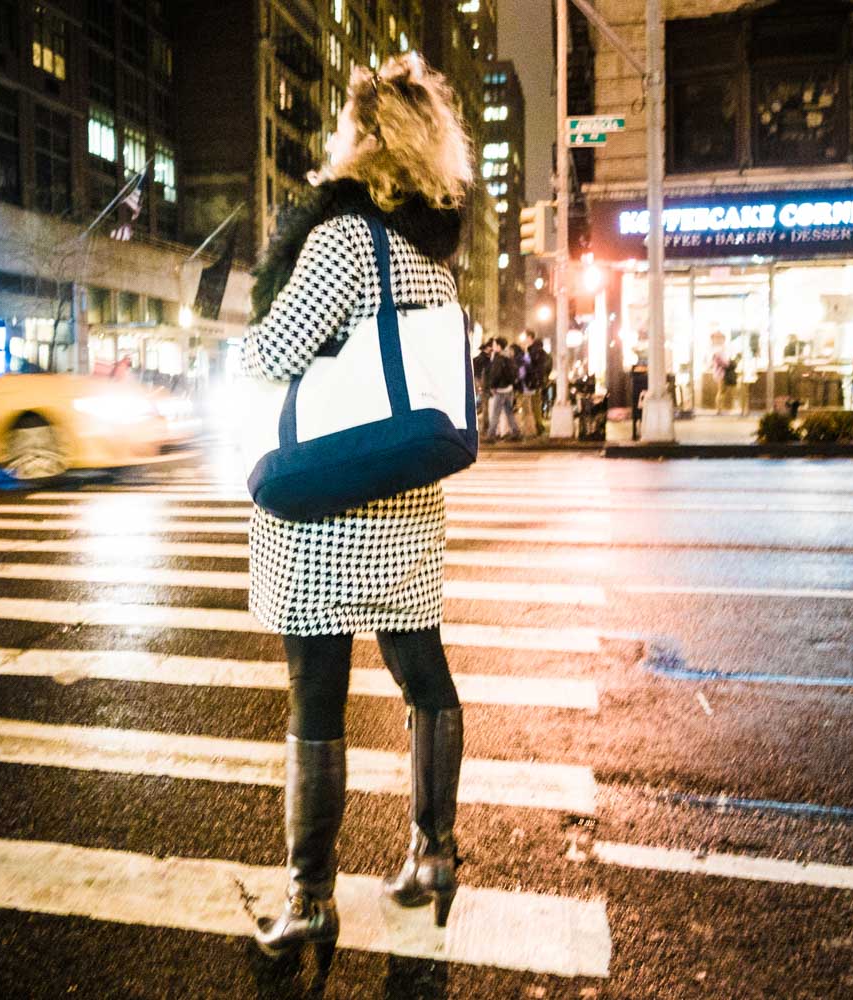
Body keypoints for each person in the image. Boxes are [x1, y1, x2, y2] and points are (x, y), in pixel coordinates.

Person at [243, 52, 472, 964]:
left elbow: (273, 352)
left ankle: (308, 903)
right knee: (425, 678)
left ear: (369, 139)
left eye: (348, 124)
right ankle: (435, 854)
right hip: (406, 508)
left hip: (328, 507)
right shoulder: (431, 253)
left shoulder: (343, 241)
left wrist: (238, 346)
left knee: (319, 699)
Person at [485, 338, 519, 440]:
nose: (493, 346)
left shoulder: (498, 358)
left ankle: (491, 435)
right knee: (509, 412)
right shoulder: (509, 356)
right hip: (509, 389)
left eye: (495, 345)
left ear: (499, 347)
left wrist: (492, 386)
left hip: (500, 390)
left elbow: (496, 374)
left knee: (495, 413)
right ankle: (516, 432)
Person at [524, 336, 551, 435]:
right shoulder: (546, 356)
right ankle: (539, 426)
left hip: (530, 384)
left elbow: (526, 368)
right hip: (541, 383)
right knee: (538, 405)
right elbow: (548, 369)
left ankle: (535, 427)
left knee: (531, 406)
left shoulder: (529, 354)